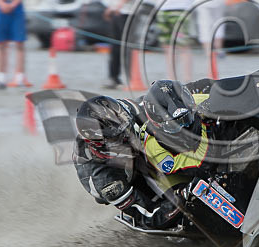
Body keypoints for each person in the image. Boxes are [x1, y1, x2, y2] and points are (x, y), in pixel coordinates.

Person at [74, 80, 208, 229]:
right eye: (119, 136)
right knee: (167, 207)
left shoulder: (124, 111)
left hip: (131, 151)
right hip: (125, 175)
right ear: (101, 145)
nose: (127, 135)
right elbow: (148, 215)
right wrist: (182, 196)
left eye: (126, 126)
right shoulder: (107, 181)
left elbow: (160, 101)